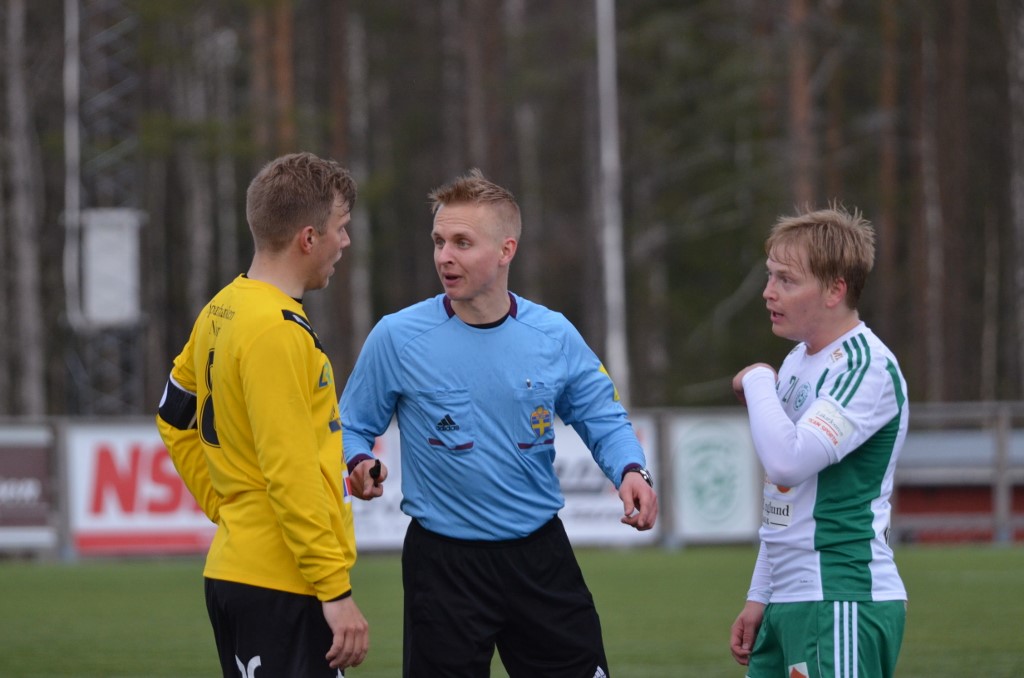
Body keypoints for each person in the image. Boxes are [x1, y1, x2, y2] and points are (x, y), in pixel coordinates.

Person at [340, 168, 657, 677]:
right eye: (439, 241)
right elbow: (351, 425)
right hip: (442, 568)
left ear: (506, 250)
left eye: (462, 243)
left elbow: (602, 415)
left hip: (539, 559)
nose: (444, 256)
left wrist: (631, 470)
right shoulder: (396, 337)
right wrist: (358, 460)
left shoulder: (554, 334)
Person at [156, 152, 369, 677]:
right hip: (283, 583)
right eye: (340, 228)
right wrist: (334, 590)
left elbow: (173, 416)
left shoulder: (222, 307)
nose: (346, 241)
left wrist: (231, 509)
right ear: (308, 238)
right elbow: (289, 472)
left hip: (237, 570)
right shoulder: (275, 331)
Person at [729, 206, 908, 678]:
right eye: (770, 275)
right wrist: (761, 594)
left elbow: (788, 462)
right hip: (790, 599)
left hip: (840, 597)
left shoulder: (864, 366)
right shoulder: (798, 362)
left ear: (835, 290)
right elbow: (784, 495)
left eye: (786, 280)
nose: (768, 291)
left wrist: (758, 379)